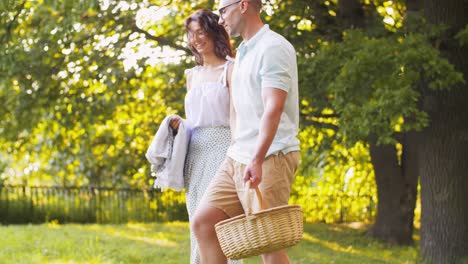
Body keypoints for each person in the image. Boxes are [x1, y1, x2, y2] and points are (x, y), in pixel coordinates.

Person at [191, 0, 300, 263]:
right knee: (204, 222)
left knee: (269, 243)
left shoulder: (273, 47)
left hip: (270, 156)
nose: (220, 19)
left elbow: (273, 107)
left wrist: (257, 158)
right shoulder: (243, 53)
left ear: (242, 5)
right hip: (237, 157)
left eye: (223, 11)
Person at [169, 9, 241, 264]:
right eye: (191, 34)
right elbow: (196, 119)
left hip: (223, 150)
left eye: (201, 32)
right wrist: (180, 125)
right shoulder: (192, 75)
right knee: (197, 224)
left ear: (213, 31)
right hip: (195, 153)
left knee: (215, 221)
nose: (196, 38)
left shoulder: (232, 69)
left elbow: (236, 117)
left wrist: (236, 158)